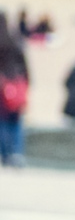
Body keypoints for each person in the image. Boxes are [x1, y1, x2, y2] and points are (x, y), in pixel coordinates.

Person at [0, 21, 28, 166]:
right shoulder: (15, 41)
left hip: (3, 88)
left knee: (3, 122)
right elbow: (24, 65)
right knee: (16, 121)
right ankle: (17, 152)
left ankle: (5, 155)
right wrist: (26, 84)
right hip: (16, 85)